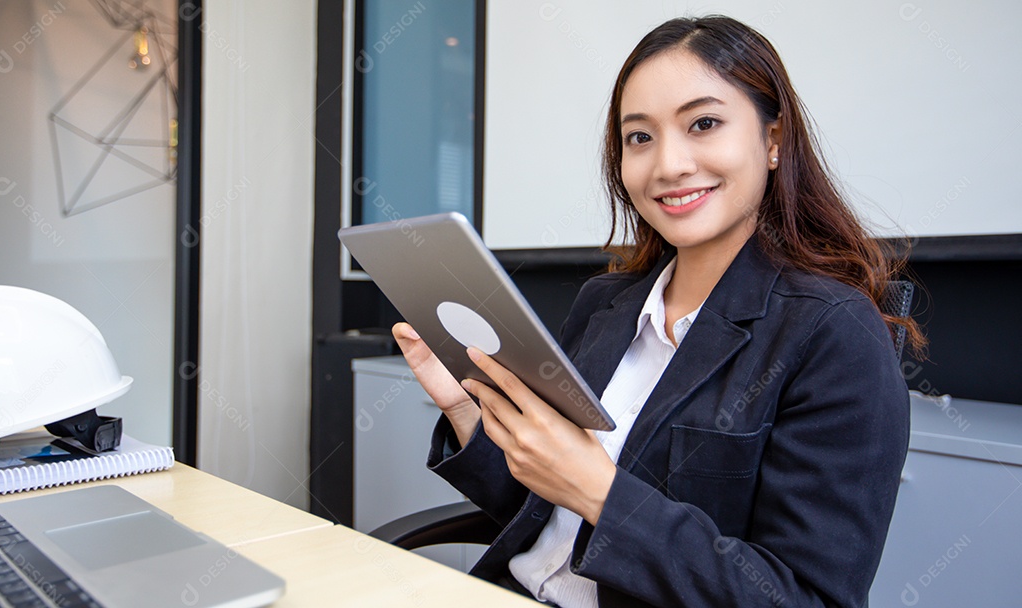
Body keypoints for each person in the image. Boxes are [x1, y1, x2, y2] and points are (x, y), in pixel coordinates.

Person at [392, 15, 925, 608]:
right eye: (639, 137)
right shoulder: (605, 303)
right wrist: (467, 409)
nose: (668, 165)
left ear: (773, 142)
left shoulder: (833, 333)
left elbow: (802, 597)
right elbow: (538, 516)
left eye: (704, 124)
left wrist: (601, 493)